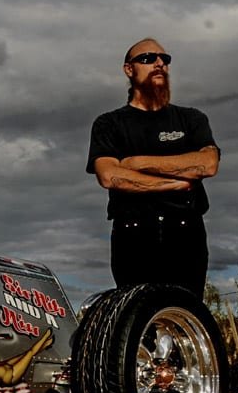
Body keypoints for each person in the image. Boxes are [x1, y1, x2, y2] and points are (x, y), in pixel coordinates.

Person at [86, 38, 220, 299]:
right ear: (129, 69)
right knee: (137, 318)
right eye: (147, 58)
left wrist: (137, 163)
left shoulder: (191, 119)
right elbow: (109, 175)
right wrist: (175, 181)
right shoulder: (110, 123)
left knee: (185, 314)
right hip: (134, 235)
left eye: (164, 59)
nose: (159, 63)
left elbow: (208, 163)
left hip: (185, 233)